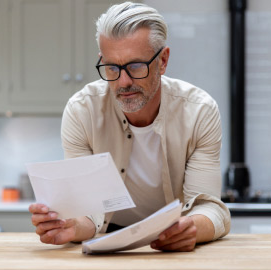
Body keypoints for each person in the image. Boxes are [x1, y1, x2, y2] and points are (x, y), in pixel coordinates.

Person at [29, 1, 231, 252]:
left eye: (136, 66)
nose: (123, 82)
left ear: (163, 61)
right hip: (106, 238)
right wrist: (70, 226)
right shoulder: (83, 111)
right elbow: (88, 212)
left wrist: (191, 227)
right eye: (112, 67)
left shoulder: (199, 111)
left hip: (173, 239)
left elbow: (211, 207)